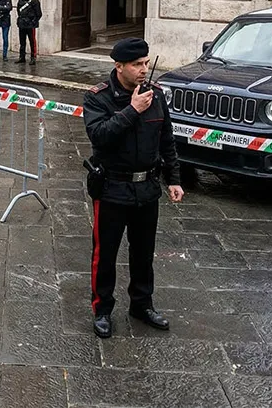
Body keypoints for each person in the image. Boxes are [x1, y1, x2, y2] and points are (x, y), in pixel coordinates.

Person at [83, 38, 183, 337]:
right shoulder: (98, 97)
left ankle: (141, 304)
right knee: (105, 253)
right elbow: (99, 136)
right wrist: (132, 110)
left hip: (147, 187)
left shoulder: (157, 95)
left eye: (146, 63)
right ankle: (102, 309)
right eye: (137, 65)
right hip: (113, 186)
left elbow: (167, 138)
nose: (144, 70)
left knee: (143, 252)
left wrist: (174, 178)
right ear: (119, 67)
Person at [16, 0, 42, 65]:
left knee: (32, 41)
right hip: (22, 24)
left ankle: (33, 57)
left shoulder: (34, 0)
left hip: (30, 25)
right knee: (22, 41)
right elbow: (18, 10)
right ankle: (22, 57)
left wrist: (33, 22)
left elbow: (39, 14)